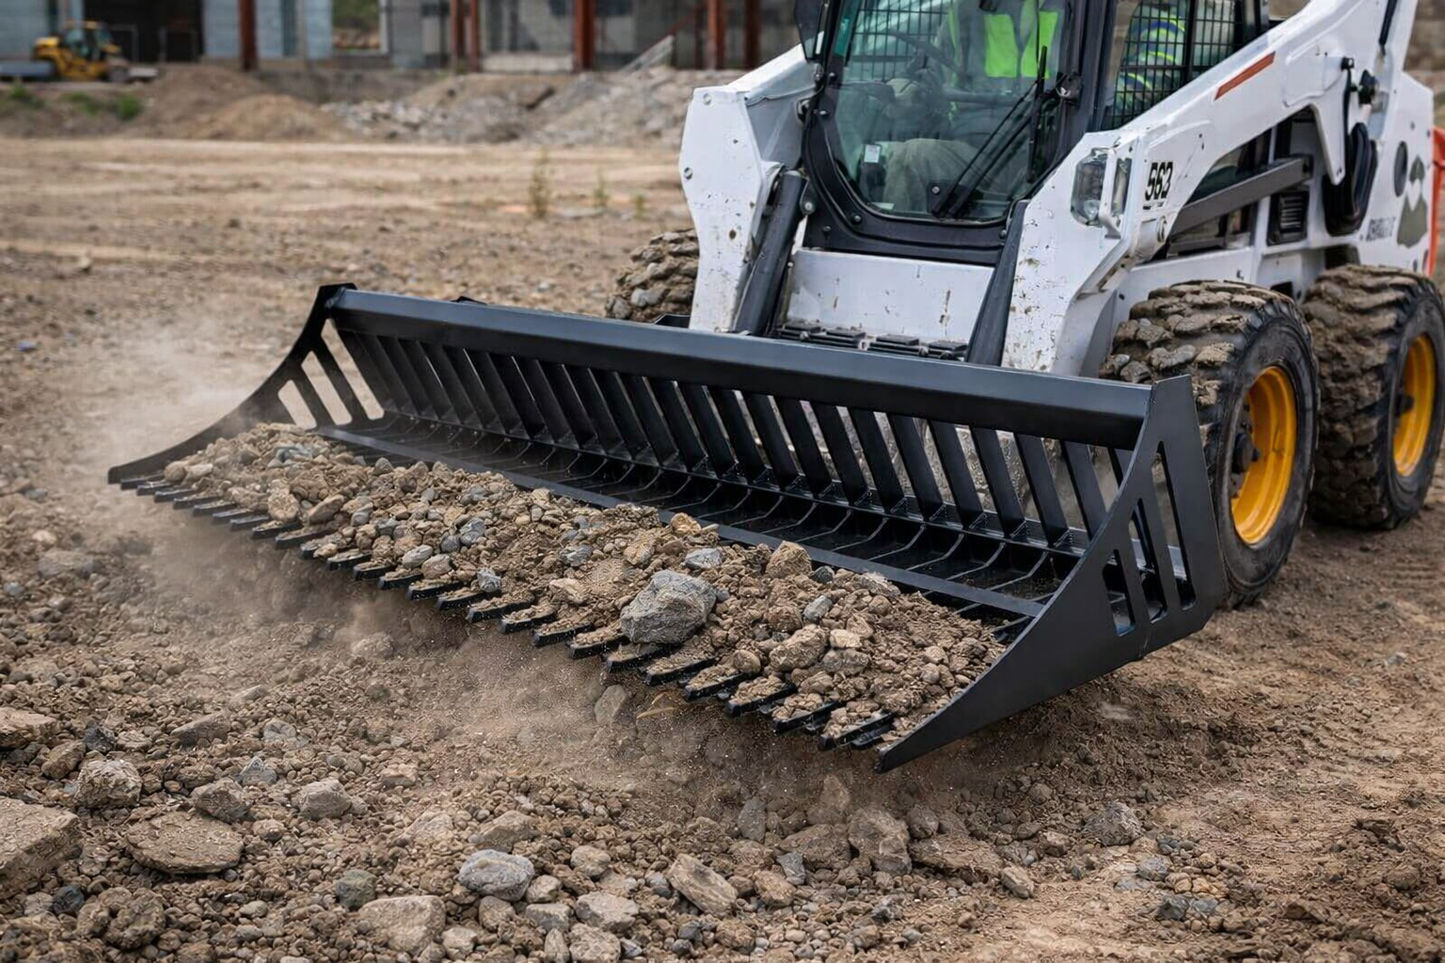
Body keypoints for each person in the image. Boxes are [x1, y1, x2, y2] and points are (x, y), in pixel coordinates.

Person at [880, 0, 1066, 214]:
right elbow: (929, 71)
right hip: (975, 155)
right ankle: (895, 242)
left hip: (1047, 156)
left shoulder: (1074, 10)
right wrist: (905, 90)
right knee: (910, 157)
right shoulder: (964, 12)